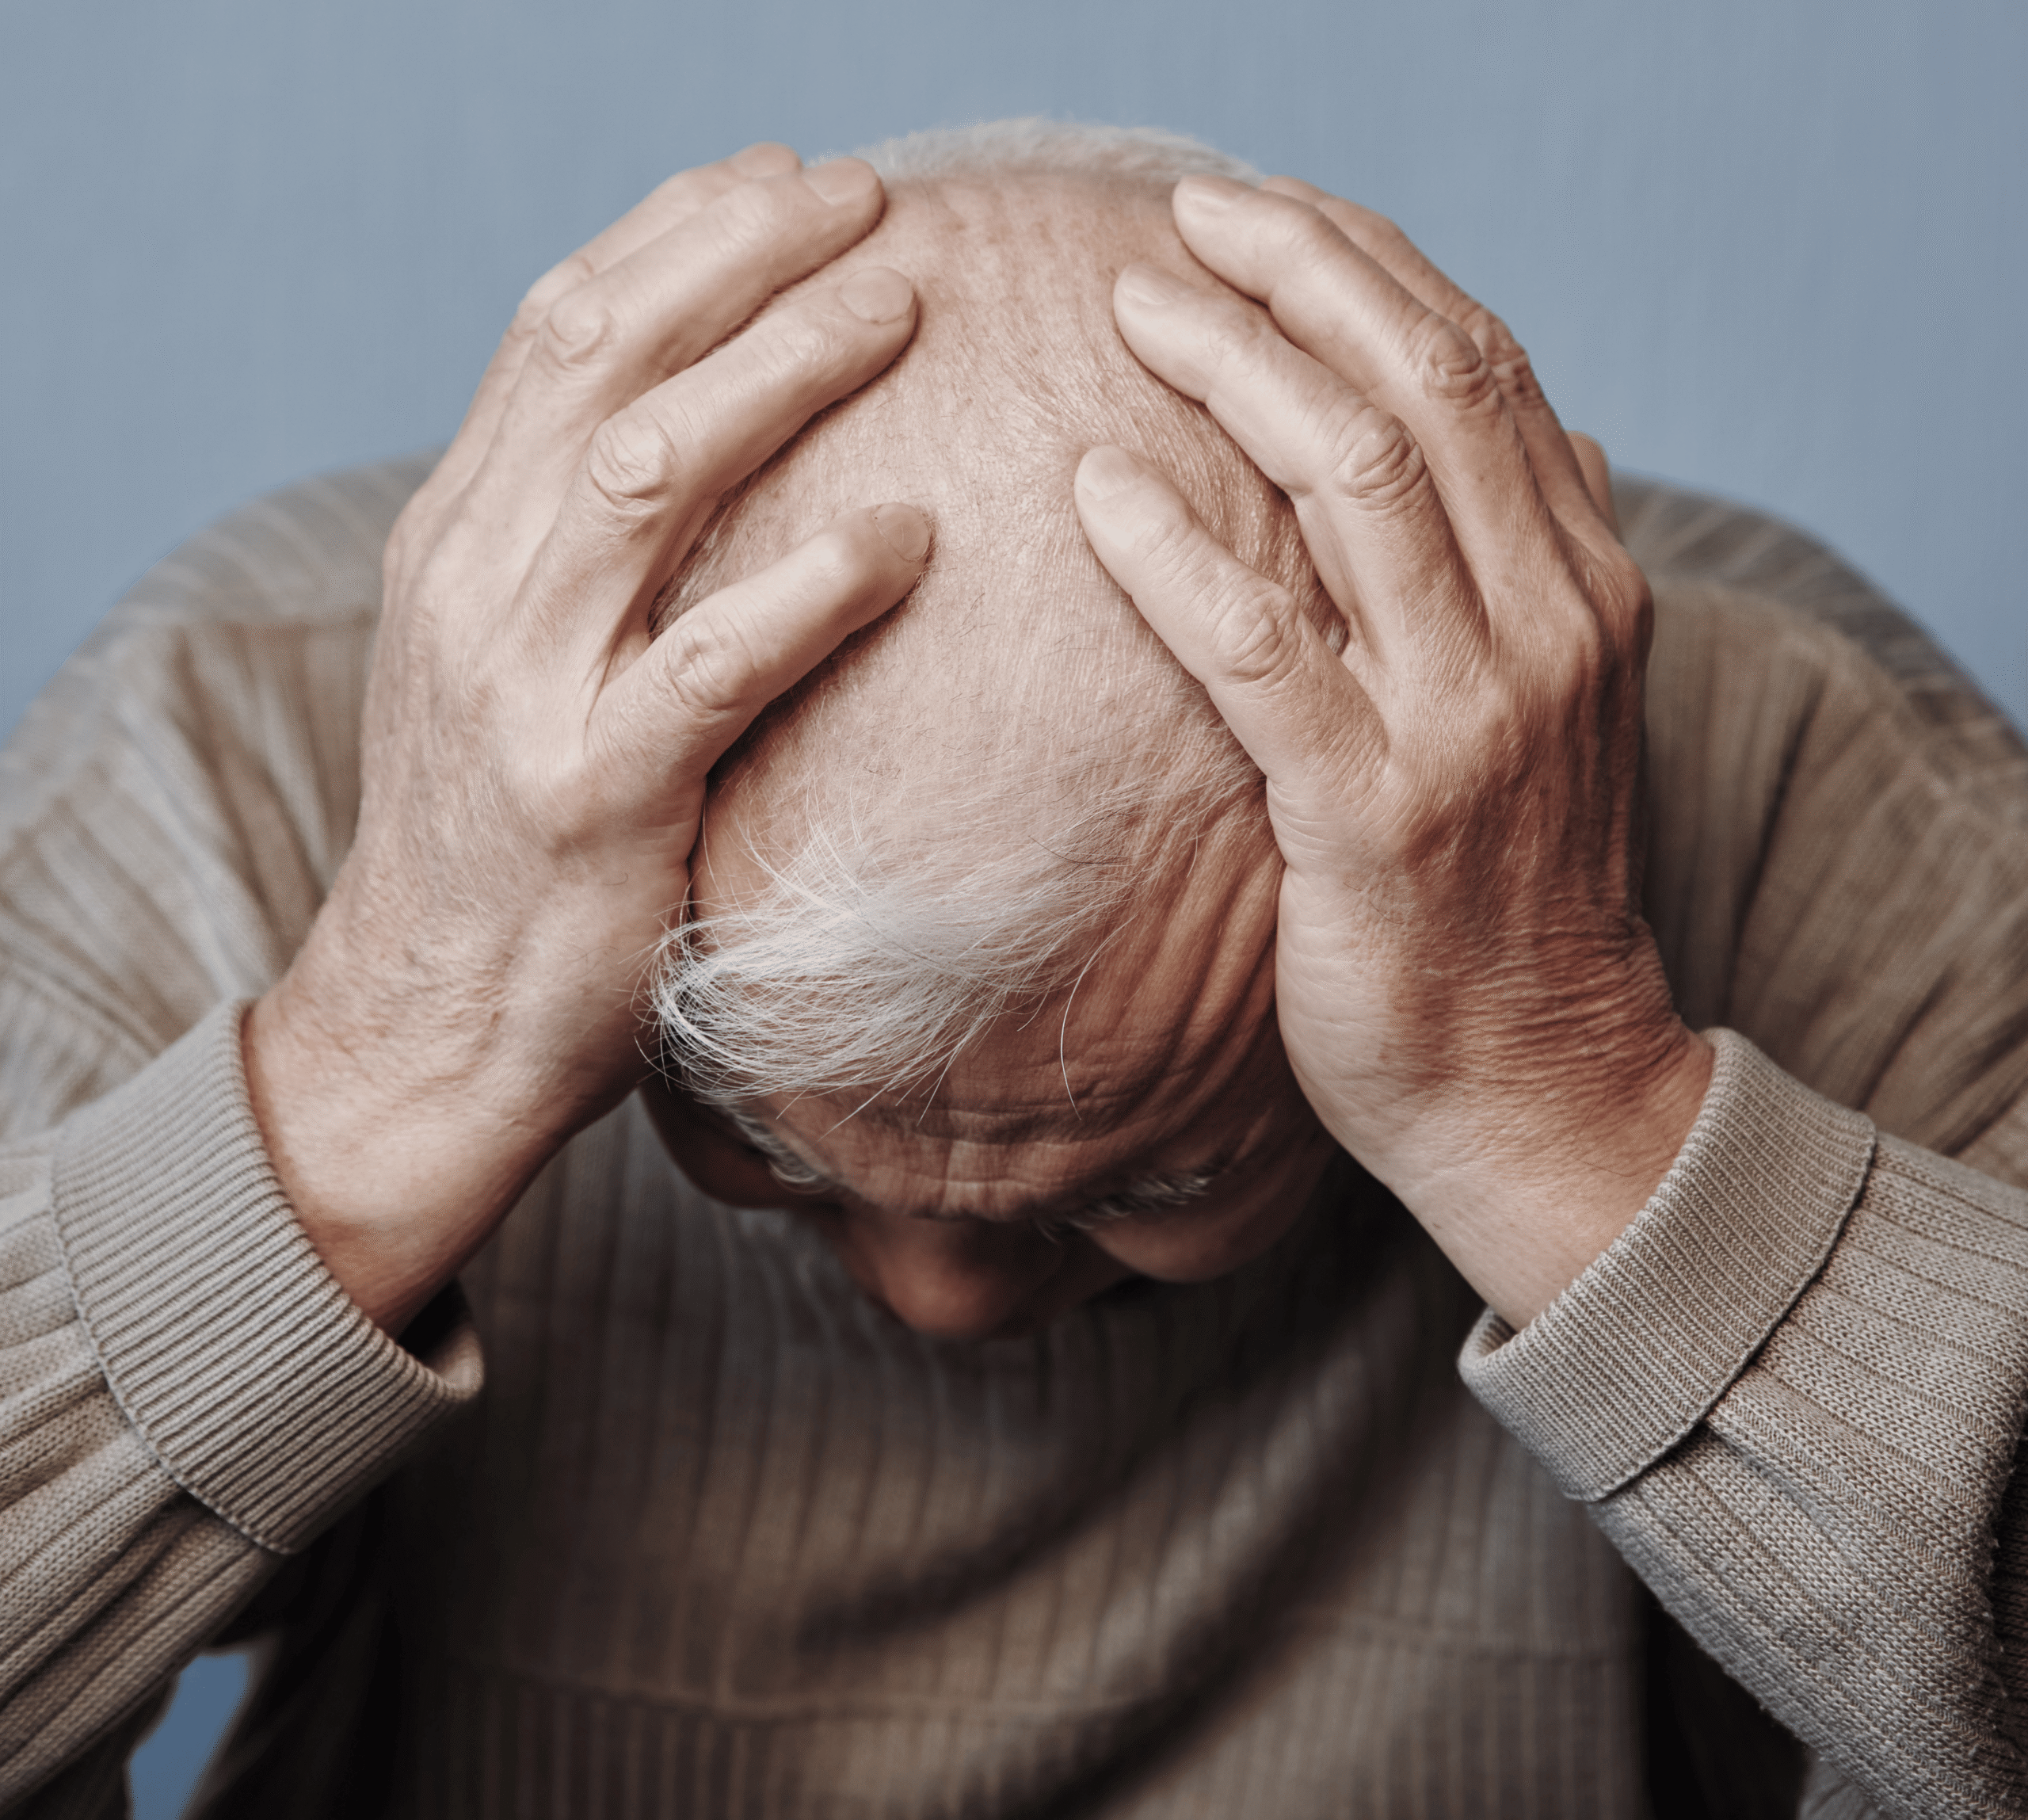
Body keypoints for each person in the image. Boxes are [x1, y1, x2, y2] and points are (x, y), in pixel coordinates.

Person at [2, 119, 2024, 1820]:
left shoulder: (1786, 777)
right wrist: (377, 1071)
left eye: (1150, 1176)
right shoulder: (238, 746)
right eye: (762, 1142)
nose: (944, 1293)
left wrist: (1563, 1091)